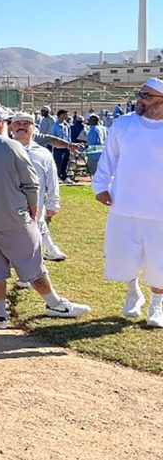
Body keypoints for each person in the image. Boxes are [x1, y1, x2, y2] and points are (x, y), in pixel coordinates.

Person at [0, 106, 90, 328]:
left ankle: (0, 314)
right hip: (15, 218)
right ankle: (54, 303)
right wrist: (34, 209)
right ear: (3, 122)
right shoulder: (14, 147)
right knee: (32, 264)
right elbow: (31, 183)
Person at [93, 78, 163, 325]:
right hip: (124, 205)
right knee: (123, 256)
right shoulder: (123, 125)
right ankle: (133, 293)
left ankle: (157, 305)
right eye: (140, 94)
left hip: (159, 210)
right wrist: (100, 186)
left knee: (159, 261)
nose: (140, 100)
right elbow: (108, 159)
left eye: (146, 95)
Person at [8, 113, 67, 262]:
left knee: (34, 231)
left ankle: (29, 271)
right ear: (11, 127)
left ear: (34, 128)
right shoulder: (3, 150)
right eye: (17, 123)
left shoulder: (43, 153)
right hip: (8, 203)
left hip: (35, 203)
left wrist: (53, 202)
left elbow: (52, 180)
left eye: (26, 123)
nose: (21, 126)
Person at [51, 110, 73, 182]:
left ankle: (64, 176)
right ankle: (58, 176)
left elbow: (69, 136)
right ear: (60, 115)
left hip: (66, 147)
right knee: (58, 162)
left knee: (66, 162)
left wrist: (70, 145)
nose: (66, 116)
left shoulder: (67, 125)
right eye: (64, 114)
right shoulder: (55, 126)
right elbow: (53, 137)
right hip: (58, 147)